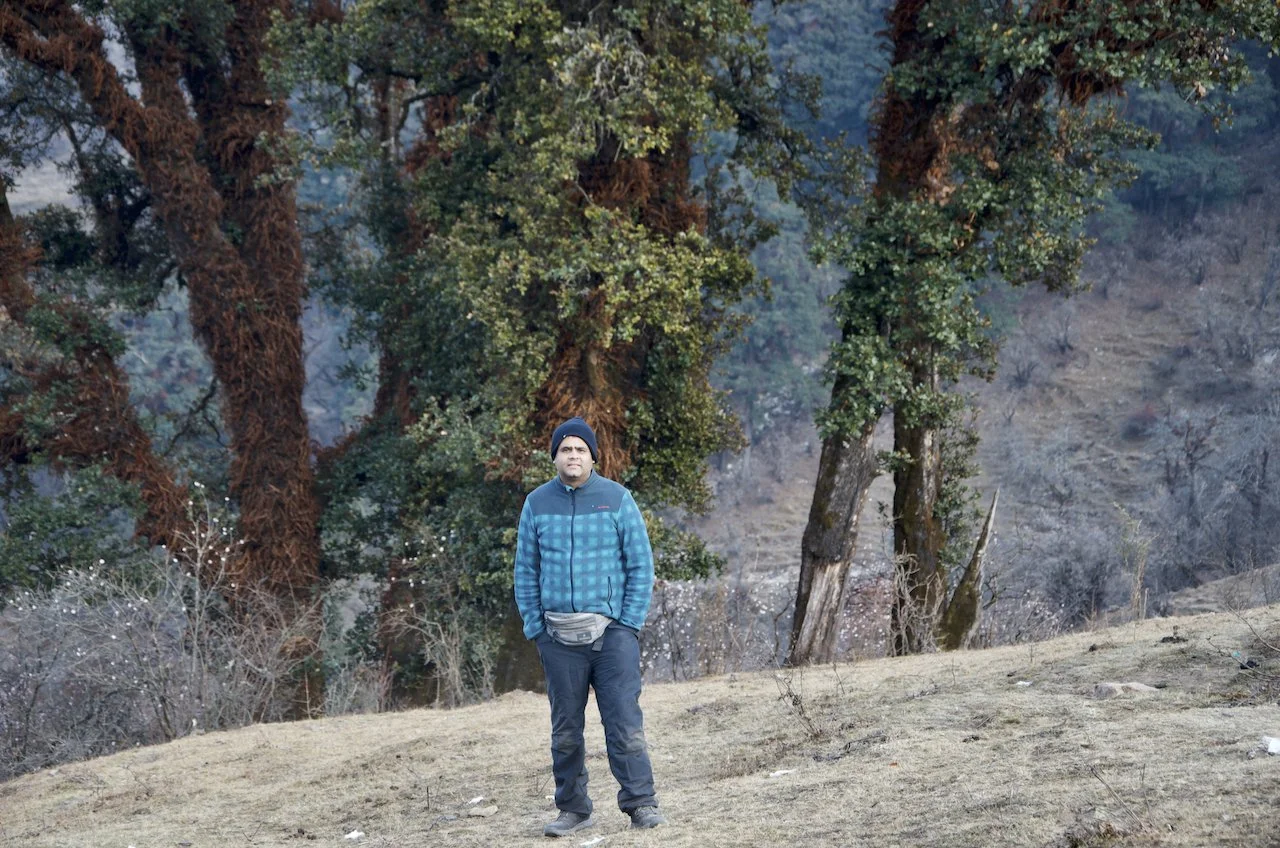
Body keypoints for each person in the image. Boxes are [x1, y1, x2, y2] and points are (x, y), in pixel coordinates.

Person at [514, 416, 667, 837]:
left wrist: (628, 623)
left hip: (613, 635)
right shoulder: (536, 504)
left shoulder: (617, 499)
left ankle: (641, 804)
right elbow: (525, 570)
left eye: (581, 449)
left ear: (593, 457)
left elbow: (641, 565)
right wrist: (536, 629)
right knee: (565, 731)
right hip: (557, 638)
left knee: (624, 724)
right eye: (566, 449)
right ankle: (573, 809)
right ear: (555, 457)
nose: (573, 456)